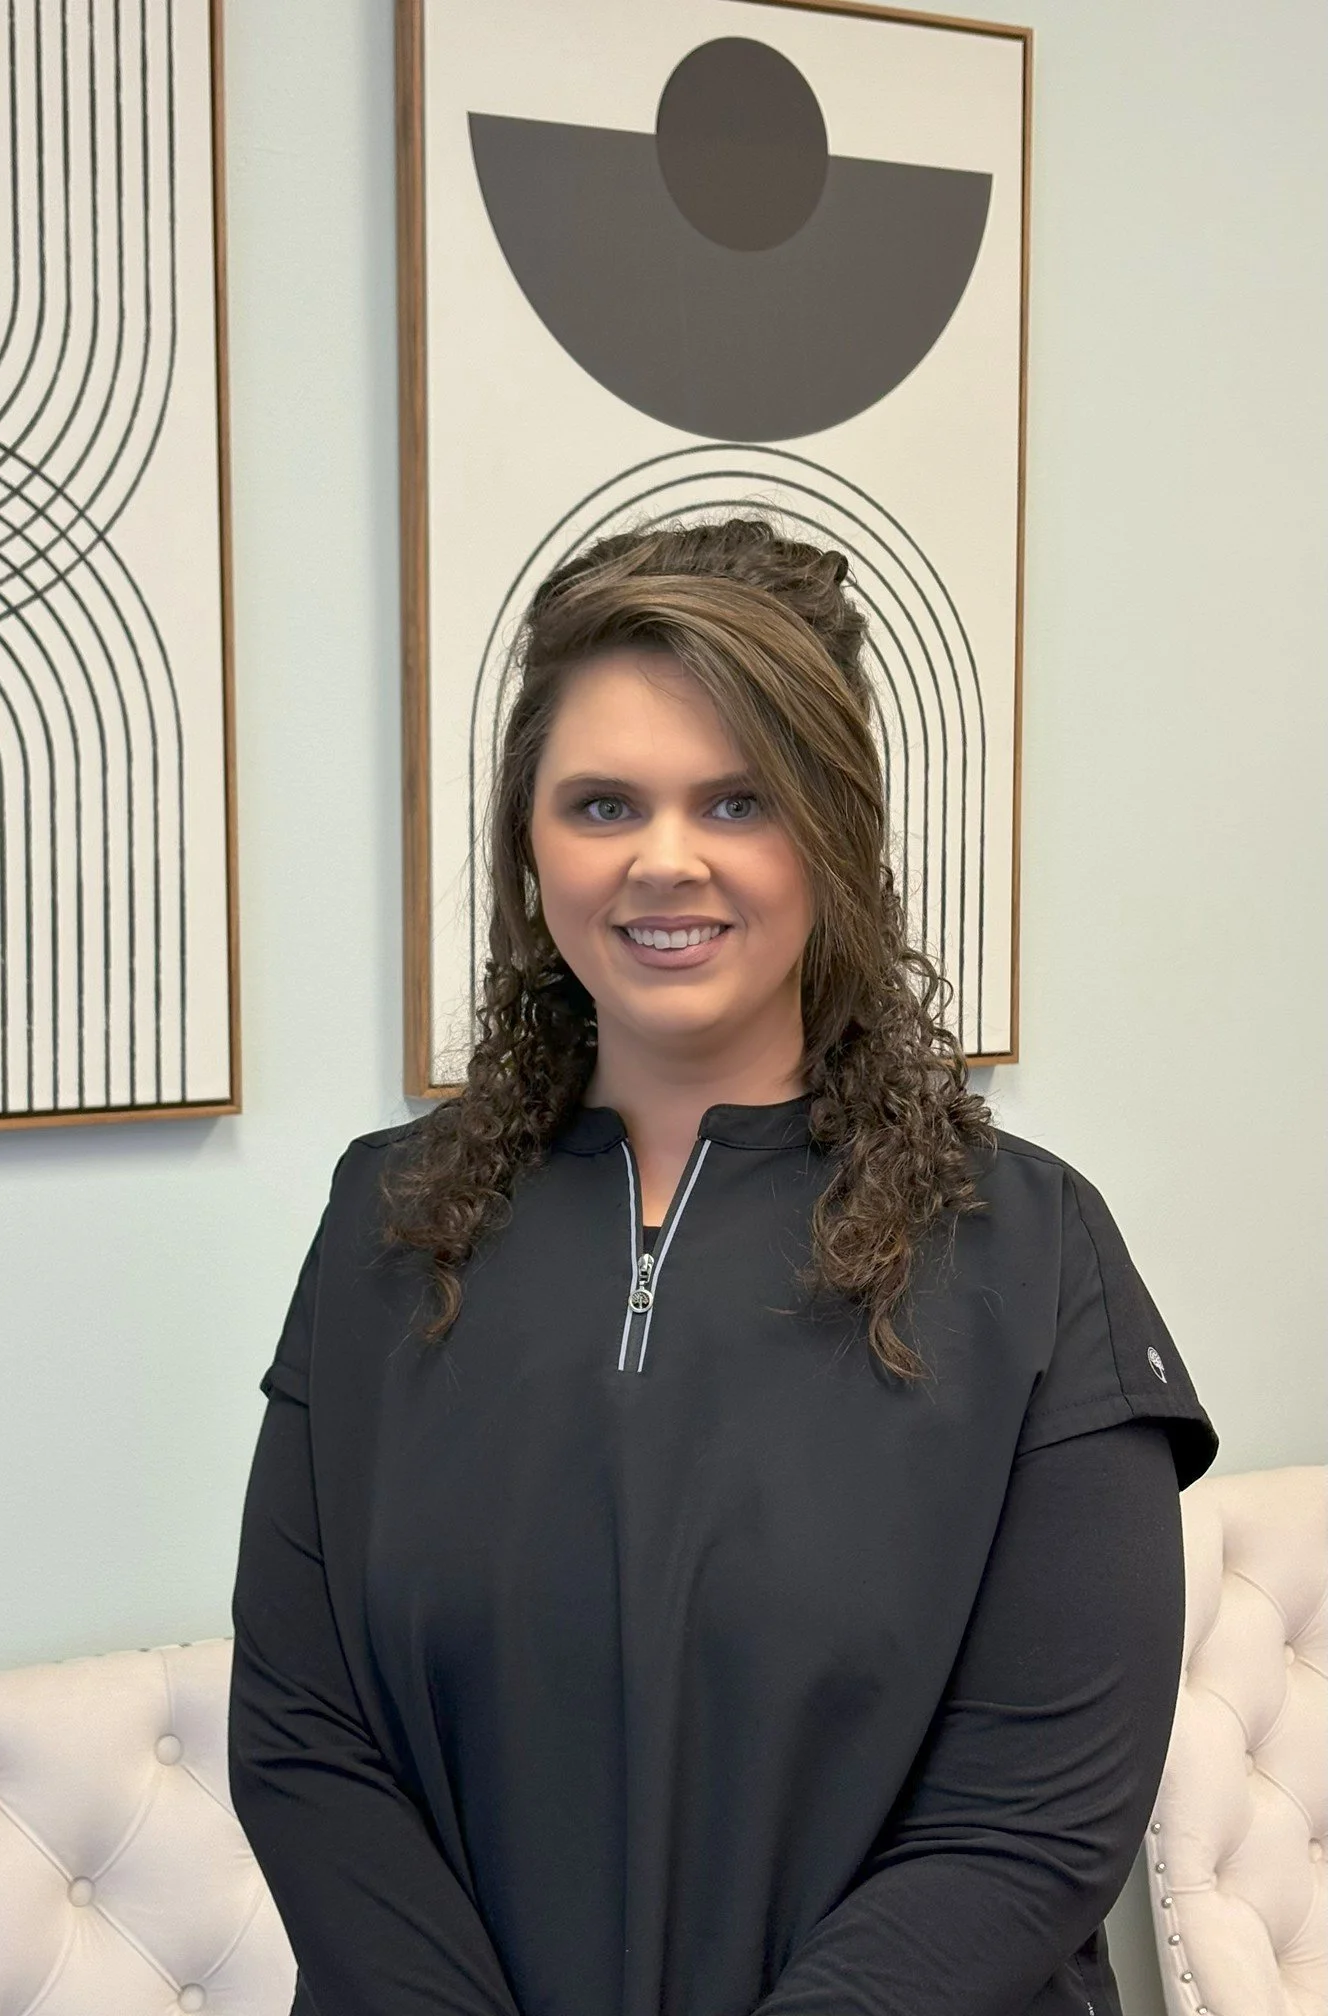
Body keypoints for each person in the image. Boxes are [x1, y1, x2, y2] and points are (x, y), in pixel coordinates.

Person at [227, 517, 1218, 2016]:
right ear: (529, 846)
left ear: (833, 836)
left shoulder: (1031, 1253)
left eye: (737, 800)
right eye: (604, 802)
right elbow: (308, 1743)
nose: (662, 861)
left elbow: (1031, 1825)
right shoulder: (389, 1221)